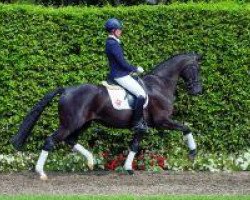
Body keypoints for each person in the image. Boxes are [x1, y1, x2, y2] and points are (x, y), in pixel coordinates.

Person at [104, 18, 147, 133]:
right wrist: (135, 68)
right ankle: (136, 123)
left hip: (120, 73)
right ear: (113, 31)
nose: (121, 31)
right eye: (119, 29)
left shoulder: (111, 42)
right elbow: (122, 63)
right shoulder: (113, 44)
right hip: (119, 75)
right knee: (141, 94)